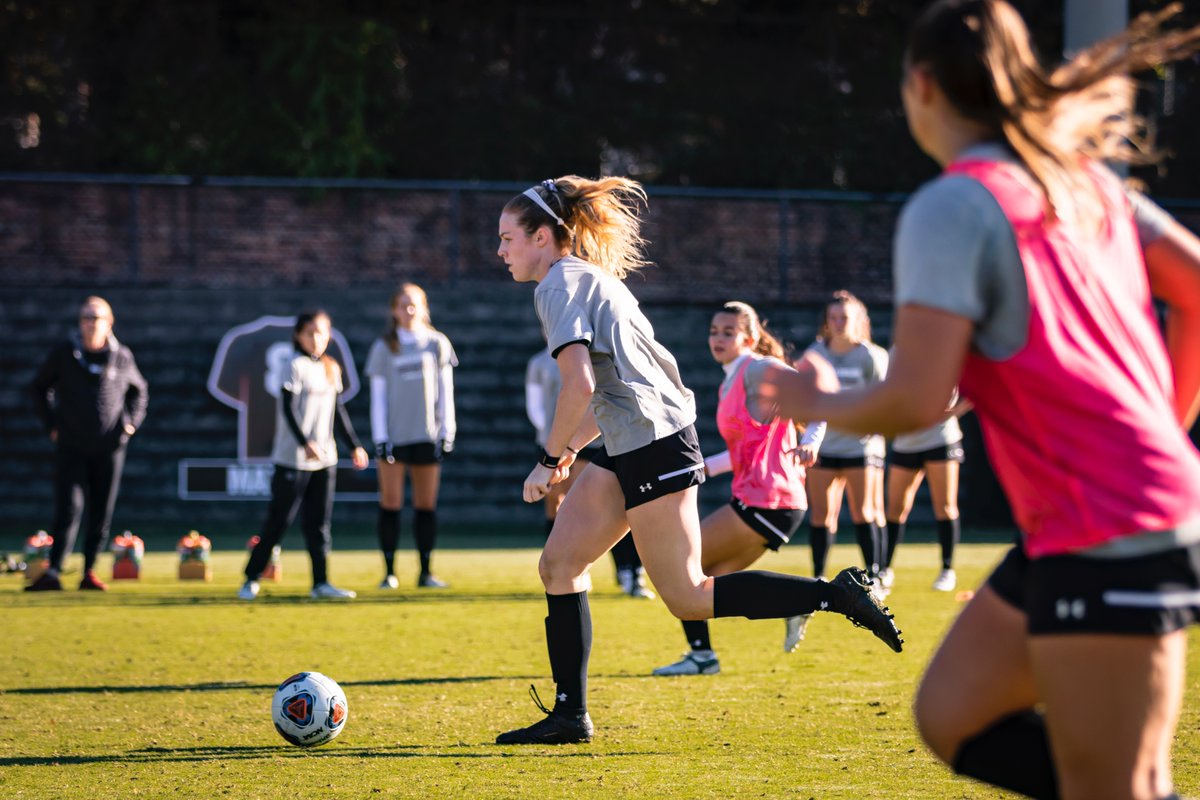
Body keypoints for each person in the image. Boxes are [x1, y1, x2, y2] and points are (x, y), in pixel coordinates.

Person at [759, 3, 1200, 797]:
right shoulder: (1085, 181)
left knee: (1123, 787)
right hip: (1092, 516)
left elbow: (915, 400)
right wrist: (1163, 426)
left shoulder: (953, 204)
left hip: (1111, 525)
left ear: (920, 86)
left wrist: (804, 395)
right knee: (952, 714)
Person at [494, 175, 902, 745]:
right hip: (632, 438)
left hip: (654, 445)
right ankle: (570, 715)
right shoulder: (585, 278)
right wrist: (572, 453)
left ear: (542, 237)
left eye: (508, 237)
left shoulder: (557, 286)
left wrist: (549, 457)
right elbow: (613, 391)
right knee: (559, 567)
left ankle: (836, 594)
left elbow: (578, 385)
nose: (501, 250)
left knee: (688, 595)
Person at [653, 301, 829, 677]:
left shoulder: (757, 367)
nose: (718, 338)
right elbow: (740, 454)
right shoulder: (731, 379)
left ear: (748, 338)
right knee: (710, 588)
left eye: (728, 332)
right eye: (714, 331)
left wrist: (812, 440)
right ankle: (797, 601)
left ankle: (703, 657)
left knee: (683, 569)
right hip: (767, 500)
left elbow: (814, 396)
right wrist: (697, 470)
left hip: (768, 499)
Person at [238, 311, 368, 601]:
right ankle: (250, 578)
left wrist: (355, 445)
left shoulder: (331, 368)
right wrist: (304, 442)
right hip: (292, 459)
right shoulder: (293, 366)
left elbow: (339, 413)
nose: (316, 338)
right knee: (279, 521)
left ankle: (321, 583)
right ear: (298, 335)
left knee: (319, 524)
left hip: (325, 459)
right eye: (310, 332)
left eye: (321, 332)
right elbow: (287, 408)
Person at [27, 296, 148, 592]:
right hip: (71, 445)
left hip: (109, 448)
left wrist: (129, 424)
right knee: (69, 507)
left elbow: (139, 391)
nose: (91, 323)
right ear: (79, 322)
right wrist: (52, 426)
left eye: (97, 318)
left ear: (110, 323)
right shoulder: (65, 354)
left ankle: (90, 571)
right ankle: (54, 570)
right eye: (86, 317)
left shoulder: (122, 356)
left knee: (101, 510)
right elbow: (39, 388)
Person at [526, 347, 653, 599]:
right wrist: (556, 442)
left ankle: (629, 571)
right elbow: (537, 407)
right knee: (559, 506)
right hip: (560, 445)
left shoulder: (604, 356)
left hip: (599, 442)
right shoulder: (541, 361)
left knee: (609, 508)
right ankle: (564, 569)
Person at [365, 283, 457, 589]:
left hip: (426, 436)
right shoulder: (383, 347)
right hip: (394, 438)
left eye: (414, 304)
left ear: (424, 307)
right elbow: (378, 397)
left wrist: (447, 432)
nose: (408, 310)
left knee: (425, 506)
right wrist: (380, 437)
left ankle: (425, 571)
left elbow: (446, 391)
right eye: (402, 305)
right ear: (393, 310)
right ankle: (390, 572)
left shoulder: (436, 343)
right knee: (390, 504)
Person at [802, 292, 888, 583]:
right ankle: (818, 578)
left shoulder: (870, 355)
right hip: (824, 447)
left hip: (860, 447)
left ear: (858, 321)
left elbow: (884, 401)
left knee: (864, 512)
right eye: (833, 317)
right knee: (821, 515)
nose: (838, 323)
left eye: (844, 318)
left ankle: (875, 577)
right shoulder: (814, 354)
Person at [882, 389, 972, 592]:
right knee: (896, 508)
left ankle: (947, 570)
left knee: (946, 507)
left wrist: (953, 412)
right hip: (905, 442)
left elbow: (980, 387)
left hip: (941, 440)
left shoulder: (948, 358)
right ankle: (884, 570)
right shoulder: (899, 358)